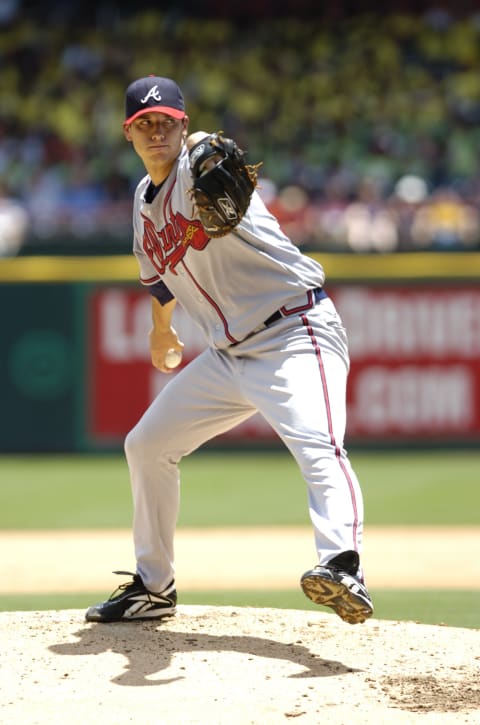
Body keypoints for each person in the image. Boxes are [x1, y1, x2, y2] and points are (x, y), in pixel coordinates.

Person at [85, 76, 373, 625]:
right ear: (128, 134)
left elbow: (213, 155)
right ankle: (153, 586)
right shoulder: (143, 205)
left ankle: (343, 565)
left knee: (318, 444)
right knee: (146, 445)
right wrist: (160, 330)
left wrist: (207, 158)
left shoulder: (200, 162)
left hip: (294, 330)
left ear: (184, 125)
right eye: (143, 124)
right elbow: (158, 280)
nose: (156, 131)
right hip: (227, 356)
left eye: (166, 122)